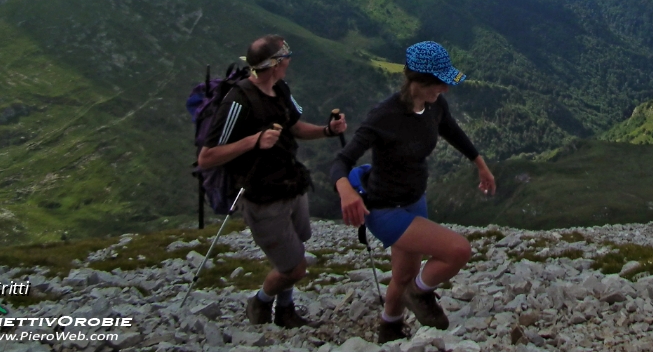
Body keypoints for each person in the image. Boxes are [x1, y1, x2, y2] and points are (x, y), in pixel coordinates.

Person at [332, 41, 495, 343]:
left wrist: (480, 163)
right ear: (418, 82)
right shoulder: (384, 116)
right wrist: (346, 191)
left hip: (414, 198)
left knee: (404, 273)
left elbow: (452, 130)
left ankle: (389, 326)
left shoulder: (434, 105)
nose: (445, 89)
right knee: (458, 250)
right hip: (383, 208)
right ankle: (419, 294)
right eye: (440, 83)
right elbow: (342, 161)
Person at [197, 35, 347, 328]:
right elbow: (207, 157)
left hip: (292, 184)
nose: (289, 61)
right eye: (286, 57)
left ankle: (286, 310)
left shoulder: (280, 89)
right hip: (262, 195)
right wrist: (254, 141)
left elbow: (295, 127)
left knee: (298, 247)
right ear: (275, 64)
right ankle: (261, 301)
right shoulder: (237, 100)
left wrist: (327, 131)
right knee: (294, 267)